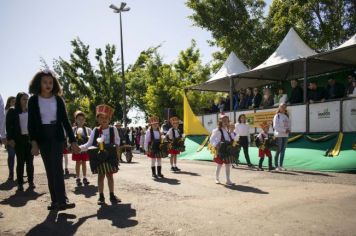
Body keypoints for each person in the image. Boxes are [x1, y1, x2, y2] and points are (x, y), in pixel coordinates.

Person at [28, 69, 80, 211]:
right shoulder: (33, 100)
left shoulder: (58, 99)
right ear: (39, 83)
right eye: (45, 82)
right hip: (42, 136)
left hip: (56, 136)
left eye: (50, 82)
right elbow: (31, 124)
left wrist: (73, 140)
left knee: (57, 168)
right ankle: (55, 201)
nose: (48, 84)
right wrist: (34, 143)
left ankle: (62, 200)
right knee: (49, 169)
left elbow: (65, 121)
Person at [80, 104, 121, 205]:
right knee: (101, 176)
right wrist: (79, 148)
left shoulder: (113, 129)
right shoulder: (95, 130)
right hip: (99, 156)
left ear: (109, 119)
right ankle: (101, 196)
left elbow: (117, 142)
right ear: (97, 119)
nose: (104, 119)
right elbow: (89, 144)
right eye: (101, 117)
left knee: (110, 176)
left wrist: (118, 156)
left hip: (110, 156)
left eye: (106, 117)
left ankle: (112, 195)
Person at [6, 92, 35, 191]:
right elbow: (8, 126)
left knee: (30, 162)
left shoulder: (30, 110)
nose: (26, 101)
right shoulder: (12, 111)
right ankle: (19, 183)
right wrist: (10, 139)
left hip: (29, 139)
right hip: (18, 140)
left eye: (27, 99)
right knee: (20, 162)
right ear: (19, 100)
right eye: (24, 99)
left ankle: (31, 181)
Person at [209, 113, 235, 185]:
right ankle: (216, 178)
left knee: (228, 164)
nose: (225, 122)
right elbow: (211, 139)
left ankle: (228, 180)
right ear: (220, 121)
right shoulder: (217, 130)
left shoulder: (227, 130)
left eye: (226, 121)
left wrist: (231, 132)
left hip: (227, 150)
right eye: (224, 121)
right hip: (220, 150)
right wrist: (216, 145)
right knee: (219, 164)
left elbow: (231, 138)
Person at [72, 110, 92, 187]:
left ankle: (84, 177)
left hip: (84, 149)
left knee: (84, 162)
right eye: (79, 119)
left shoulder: (88, 130)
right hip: (76, 149)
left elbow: (91, 139)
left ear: (85, 120)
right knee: (78, 162)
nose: (81, 121)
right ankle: (77, 178)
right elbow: (69, 139)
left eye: (82, 119)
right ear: (76, 120)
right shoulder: (73, 129)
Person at [273, 103, 291, 171]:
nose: (283, 107)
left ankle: (281, 165)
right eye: (282, 106)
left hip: (285, 135)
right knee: (278, 150)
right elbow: (275, 126)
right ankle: (276, 166)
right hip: (279, 135)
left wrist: (288, 130)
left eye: (284, 106)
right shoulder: (277, 116)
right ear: (279, 107)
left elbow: (289, 125)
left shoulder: (286, 116)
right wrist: (284, 130)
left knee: (283, 151)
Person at [5, 96, 16, 181]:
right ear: (9, 102)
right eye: (12, 101)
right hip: (9, 137)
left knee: (20, 157)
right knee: (11, 155)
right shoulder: (5, 112)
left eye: (15, 101)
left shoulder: (18, 111)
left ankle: (20, 173)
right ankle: (11, 173)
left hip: (18, 137)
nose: (14, 103)